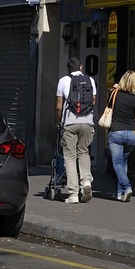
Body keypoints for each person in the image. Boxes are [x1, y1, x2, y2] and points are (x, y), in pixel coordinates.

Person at [55, 57, 96, 204]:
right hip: (87, 121)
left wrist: (58, 122)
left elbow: (59, 106)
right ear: (81, 67)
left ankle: (73, 193)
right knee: (83, 152)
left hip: (70, 122)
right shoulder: (90, 80)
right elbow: (93, 101)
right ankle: (86, 181)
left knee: (70, 157)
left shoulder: (63, 81)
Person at [104, 71, 135, 201]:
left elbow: (108, 107)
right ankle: (118, 193)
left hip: (116, 132)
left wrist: (115, 89)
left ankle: (126, 187)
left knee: (117, 163)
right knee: (123, 163)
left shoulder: (114, 93)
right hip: (131, 134)